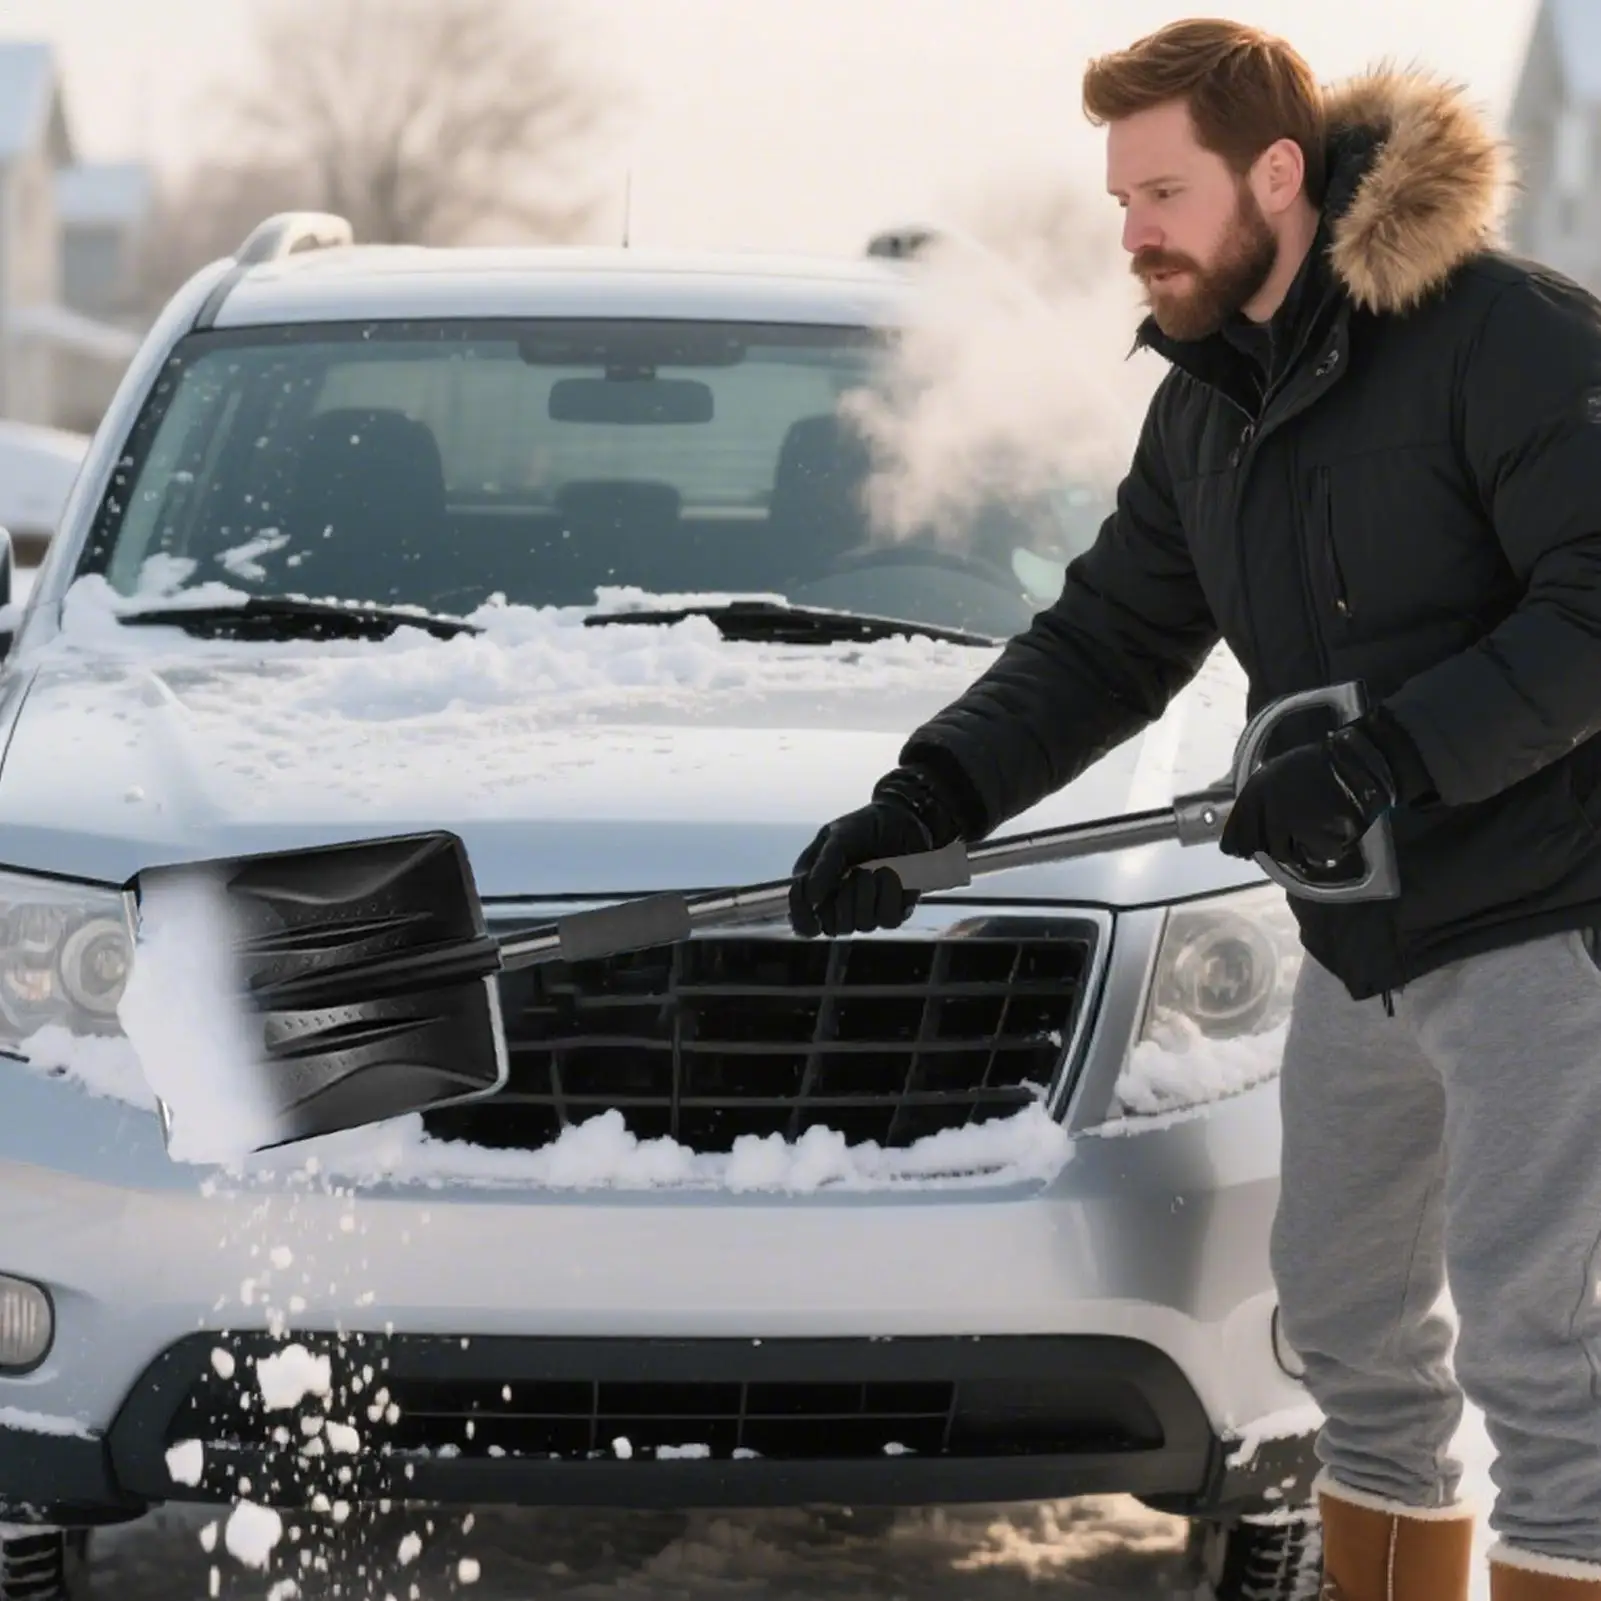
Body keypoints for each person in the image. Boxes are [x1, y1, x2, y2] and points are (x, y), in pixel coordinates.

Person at [786, 18, 1601, 1601]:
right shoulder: (1210, 405)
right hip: (1366, 938)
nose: (1135, 233)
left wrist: (1388, 760)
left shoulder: (1505, 339)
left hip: (1548, 919)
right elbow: (1108, 639)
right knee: (1353, 1335)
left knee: (1539, 1344)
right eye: (1121, 201)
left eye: (1163, 192)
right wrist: (927, 799)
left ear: (1277, 177)